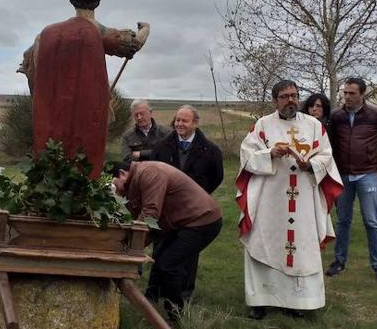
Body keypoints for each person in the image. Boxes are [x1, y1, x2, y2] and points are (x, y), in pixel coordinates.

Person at [19, 0, 150, 178]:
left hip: (49, 121)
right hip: (86, 124)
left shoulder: (45, 35)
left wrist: (41, 98)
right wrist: (146, 28)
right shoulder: (96, 32)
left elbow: (28, 64)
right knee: (84, 170)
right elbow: (133, 43)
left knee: (50, 168)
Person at [235, 80, 343, 320]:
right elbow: (246, 155)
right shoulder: (262, 126)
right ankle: (260, 301)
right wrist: (269, 153)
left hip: (303, 197)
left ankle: (297, 302)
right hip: (269, 199)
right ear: (275, 100)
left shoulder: (314, 126)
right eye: (285, 96)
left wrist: (310, 164)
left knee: (301, 248)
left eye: (294, 95)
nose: (291, 100)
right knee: (264, 243)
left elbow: (326, 156)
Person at [110, 161, 222, 321]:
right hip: (182, 222)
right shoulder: (136, 179)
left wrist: (132, 248)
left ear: (122, 173)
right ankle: (155, 304)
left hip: (202, 220)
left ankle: (176, 316)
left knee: (168, 265)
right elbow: (141, 219)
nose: (117, 191)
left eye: (115, 185)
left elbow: (150, 213)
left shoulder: (149, 173)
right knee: (161, 262)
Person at [327, 77, 377, 281]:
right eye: (345, 92)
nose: (347, 96)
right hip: (343, 176)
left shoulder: (376, 115)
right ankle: (339, 261)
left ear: (362, 94)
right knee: (343, 221)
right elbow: (329, 145)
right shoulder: (337, 116)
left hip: (367, 175)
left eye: (352, 93)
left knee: (371, 221)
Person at [151, 104, 223, 300]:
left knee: (188, 252)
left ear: (195, 123)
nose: (179, 124)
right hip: (167, 209)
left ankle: (183, 294)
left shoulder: (211, 151)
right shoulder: (161, 147)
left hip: (194, 212)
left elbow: (217, 177)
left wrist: (199, 197)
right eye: (177, 120)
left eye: (184, 120)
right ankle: (155, 291)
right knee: (162, 247)